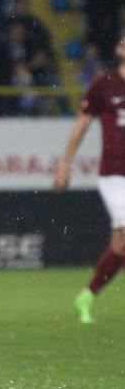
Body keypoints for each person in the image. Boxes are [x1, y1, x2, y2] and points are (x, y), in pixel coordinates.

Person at [54, 34, 125, 324]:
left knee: (120, 247)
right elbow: (80, 126)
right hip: (115, 175)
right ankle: (88, 294)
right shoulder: (104, 85)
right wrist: (65, 165)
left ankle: (87, 295)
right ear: (119, 48)